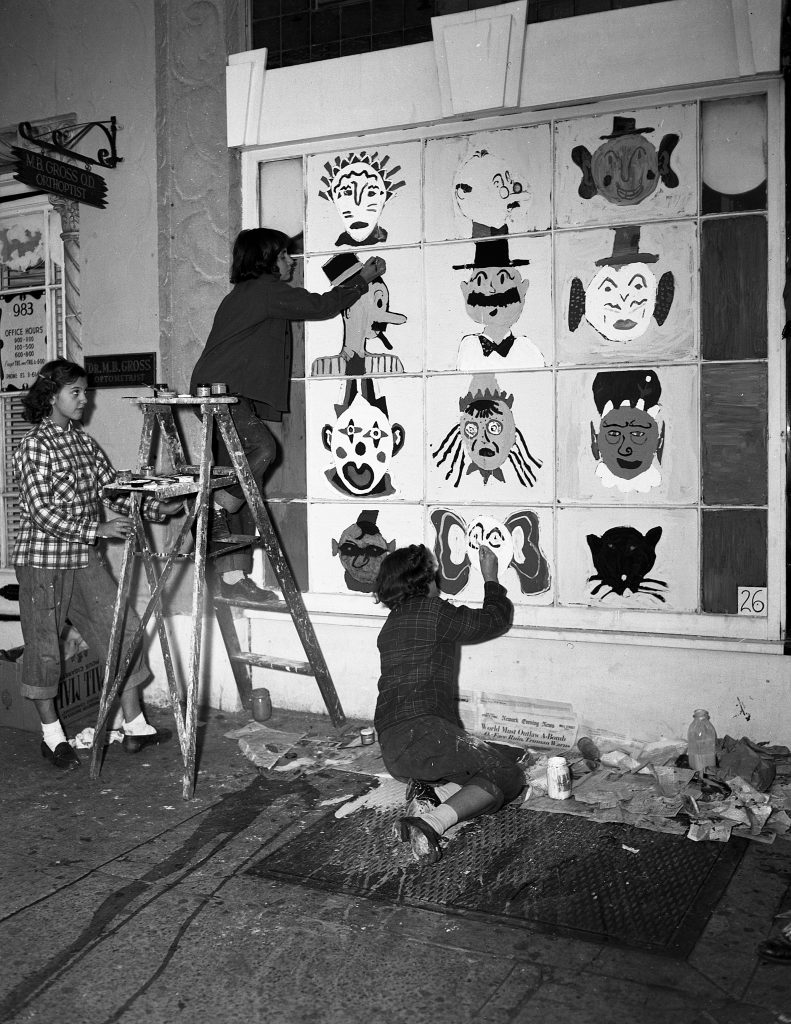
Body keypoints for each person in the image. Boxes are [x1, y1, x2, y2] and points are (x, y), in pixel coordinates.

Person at [190, 227, 386, 600]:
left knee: (243, 481)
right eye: (283, 255)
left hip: (224, 395)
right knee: (263, 451)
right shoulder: (264, 290)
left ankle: (232, 580)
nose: (290, 261)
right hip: (220, 397)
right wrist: (363, 279)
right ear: (265, 260)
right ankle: (212, 509)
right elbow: (321, 306)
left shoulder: (250, 293)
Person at [13, 359, 184, 770]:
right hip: (43, 563)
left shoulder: (83, 443)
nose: (84, 400)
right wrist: (99, 528)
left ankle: (135, 725)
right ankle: (52, 737)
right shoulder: (33, 446)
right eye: (76, 392)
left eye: (84, 392)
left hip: (83, 558)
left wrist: (157, 507)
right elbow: (41, 514)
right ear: (52, 396)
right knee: (46, 648)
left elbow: (112, 491)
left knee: (122, 632)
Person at [373, 542, 524, 865]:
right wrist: (490, 578)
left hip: (393, 746)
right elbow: (493, 619)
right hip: (423, 733)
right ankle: (431, 822)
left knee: (500, 755)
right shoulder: (432, 612)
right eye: (434, 576)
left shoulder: (392, 624)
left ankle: (429, 793)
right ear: (424, 582)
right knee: (507, 775)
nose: (438, 583)